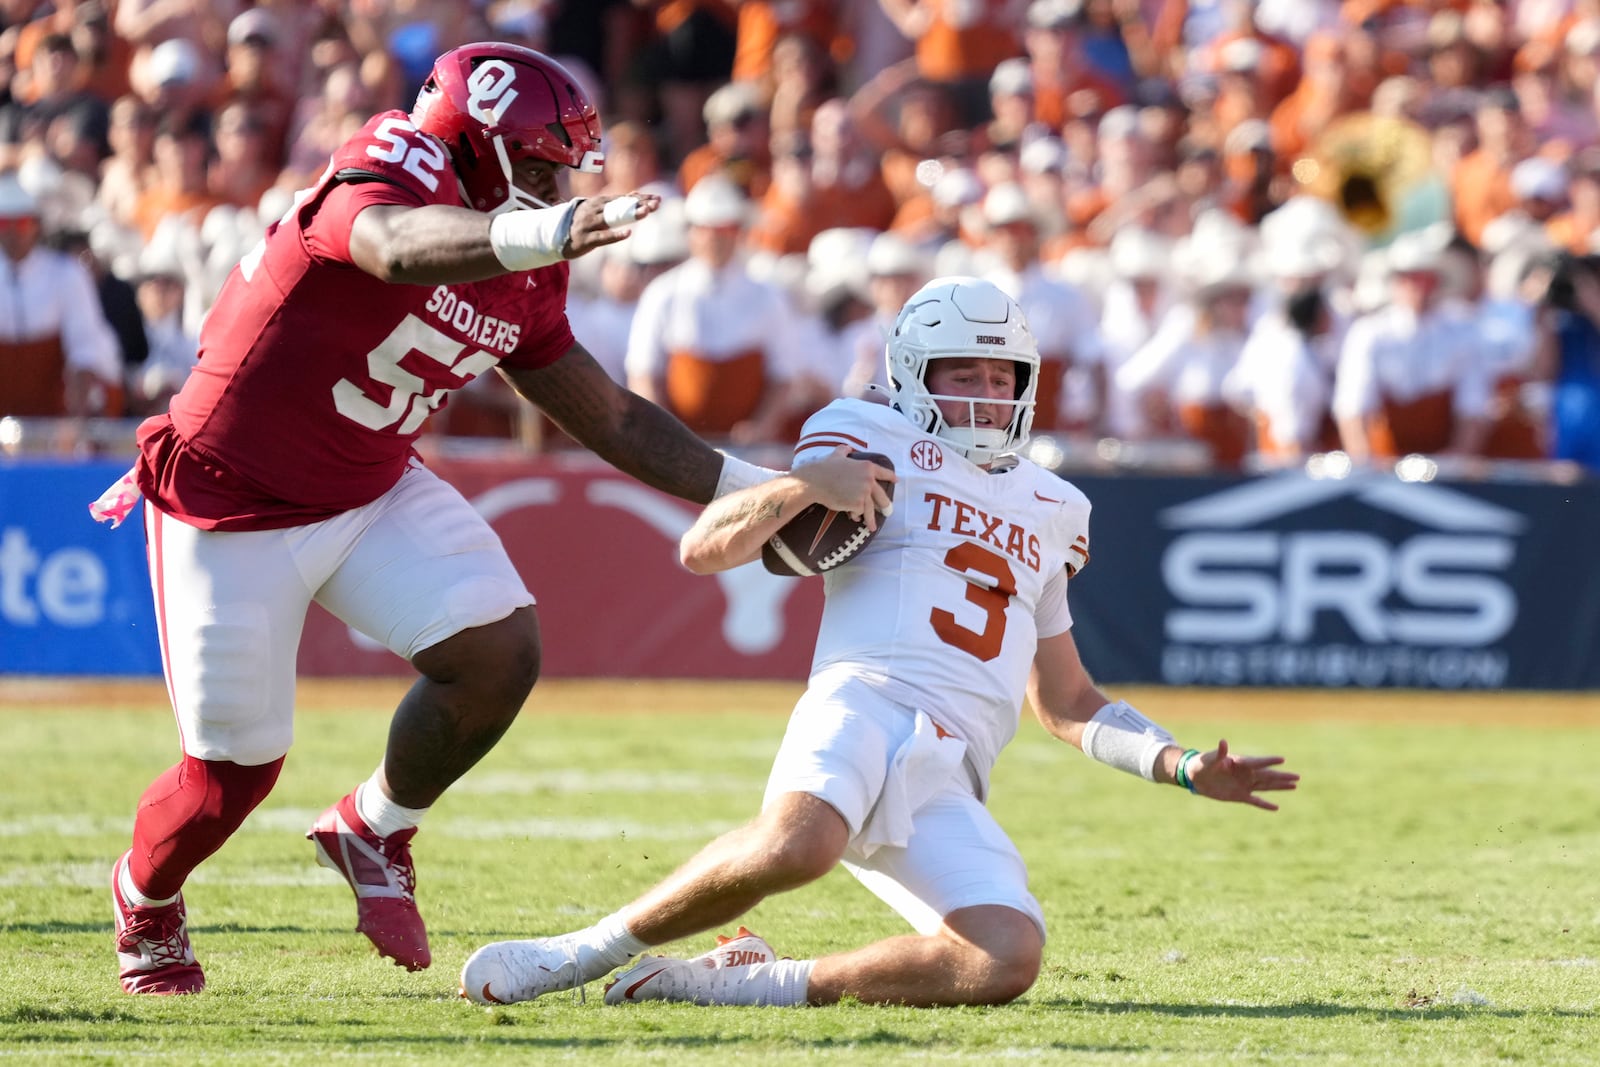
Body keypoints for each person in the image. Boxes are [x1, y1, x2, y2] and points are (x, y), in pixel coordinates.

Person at [93, 42, 885, 998]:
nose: (558, 183)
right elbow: (390, 246)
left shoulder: (527, 262)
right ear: (480, 144)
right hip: (231, 498)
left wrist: (771, 485)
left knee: (499, 649)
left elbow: (607, 413)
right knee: (232, 775)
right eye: (542, 162)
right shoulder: (388, 164)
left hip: (370, 483)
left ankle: (372, 826)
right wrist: (544, 232)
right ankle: (147, 892)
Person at [461, 276, 1298, 1010]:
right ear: (911, 375)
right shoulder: (865, 430)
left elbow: (1070, 700)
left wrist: (1179, 763)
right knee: (799, 845)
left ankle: (743, 980)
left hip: (952, 764)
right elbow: (702, 547)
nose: (983, 391)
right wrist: (800, 484)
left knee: (1005, 955)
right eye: (960, 372)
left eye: (999, 374)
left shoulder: (1058, 506)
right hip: (866, 697)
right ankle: (581, 951)